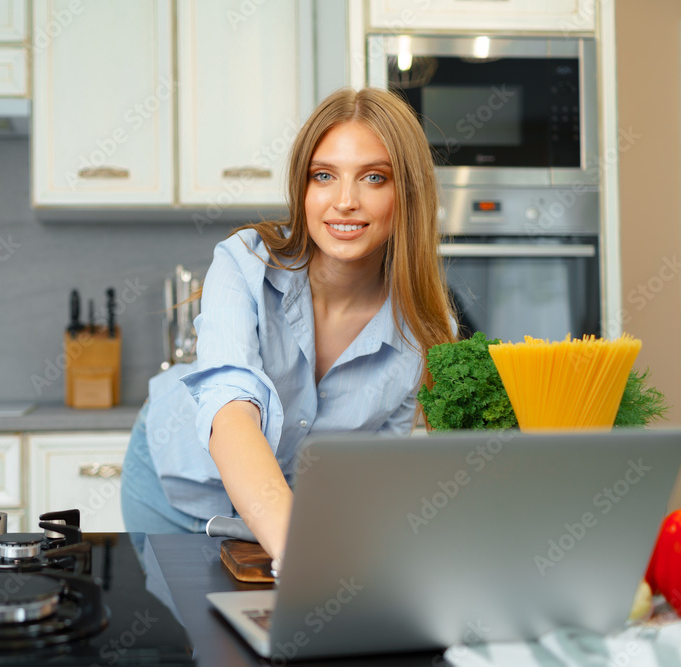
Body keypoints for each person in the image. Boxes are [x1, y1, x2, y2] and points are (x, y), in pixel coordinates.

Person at [120, 87, 456, 565]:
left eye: (374, 178)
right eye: (324, 176)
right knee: (184, 635)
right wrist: (301, 552)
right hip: (173, 491)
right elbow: (231, 408)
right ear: (303, 187)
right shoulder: (243, 263)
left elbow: (371, 474)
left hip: (295, 519)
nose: (345, 201)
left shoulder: (423, 329)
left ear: (408, 194)